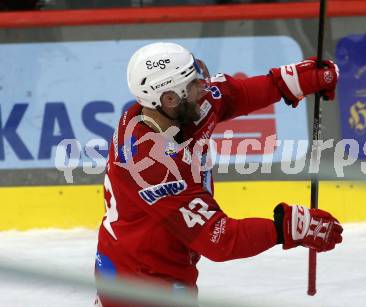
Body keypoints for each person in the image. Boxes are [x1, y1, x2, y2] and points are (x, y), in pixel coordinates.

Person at [95, 42, 343, 306]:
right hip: (139, 286)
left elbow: (234, 94)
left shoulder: (176, 110)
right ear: (169, 98)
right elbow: (219, 239)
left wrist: (291, 81)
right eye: (193, 85)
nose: (203, 88)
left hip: (164, 269)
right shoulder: (148, 164)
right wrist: (288, 227)